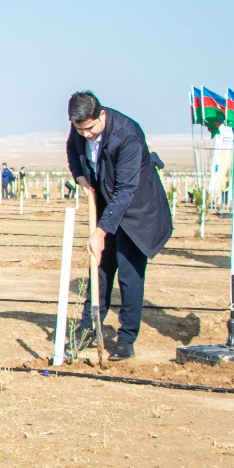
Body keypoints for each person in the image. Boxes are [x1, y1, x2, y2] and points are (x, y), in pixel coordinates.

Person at [64, 90, 173, 361]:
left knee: (129, 273)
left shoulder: (128, 135)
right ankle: (89, 326)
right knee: (99, 267)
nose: (85, 134)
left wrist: (101, 232)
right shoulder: (79, 128)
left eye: (89, 129)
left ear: (101, 115)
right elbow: (72, 150)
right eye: (80, 129)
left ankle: (126, 338)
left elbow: (126, 190)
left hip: (138, 209)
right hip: (106, 202)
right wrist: (80, 177)